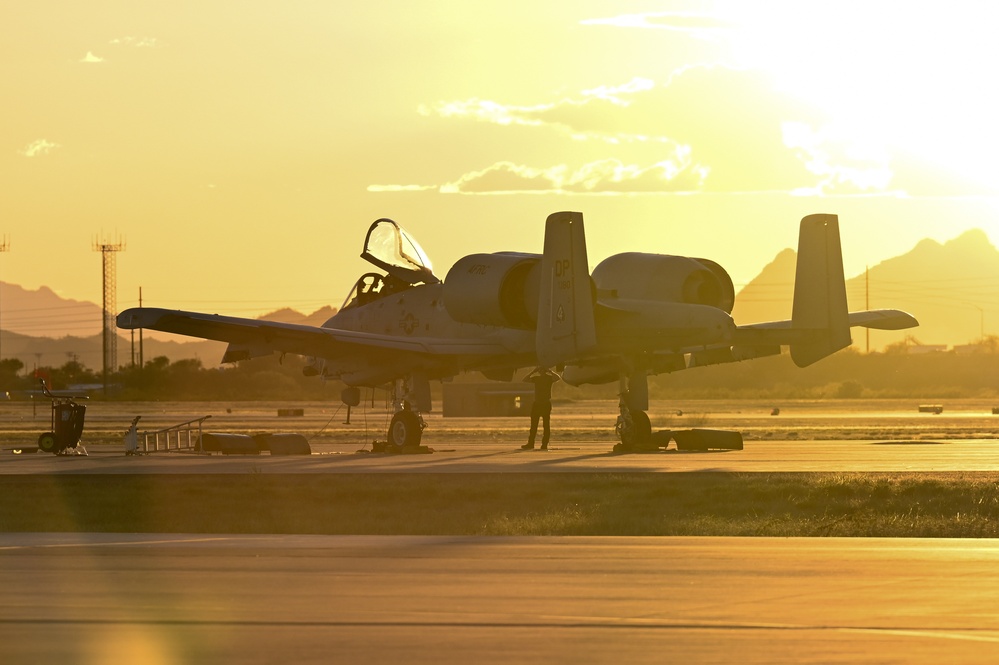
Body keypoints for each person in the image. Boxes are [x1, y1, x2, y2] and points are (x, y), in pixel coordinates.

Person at [521, 367, 560, 450]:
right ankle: (531, 443)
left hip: (545, 403)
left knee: (546, 425)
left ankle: (544, 444)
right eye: (540, 370)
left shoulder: (549, 378)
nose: (541, 371)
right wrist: (532, 372)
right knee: (534, 425)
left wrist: (550, 371)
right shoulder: (537, 378)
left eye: (542, 370)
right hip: (537, 403)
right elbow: (525, 380)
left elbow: (557, 378)